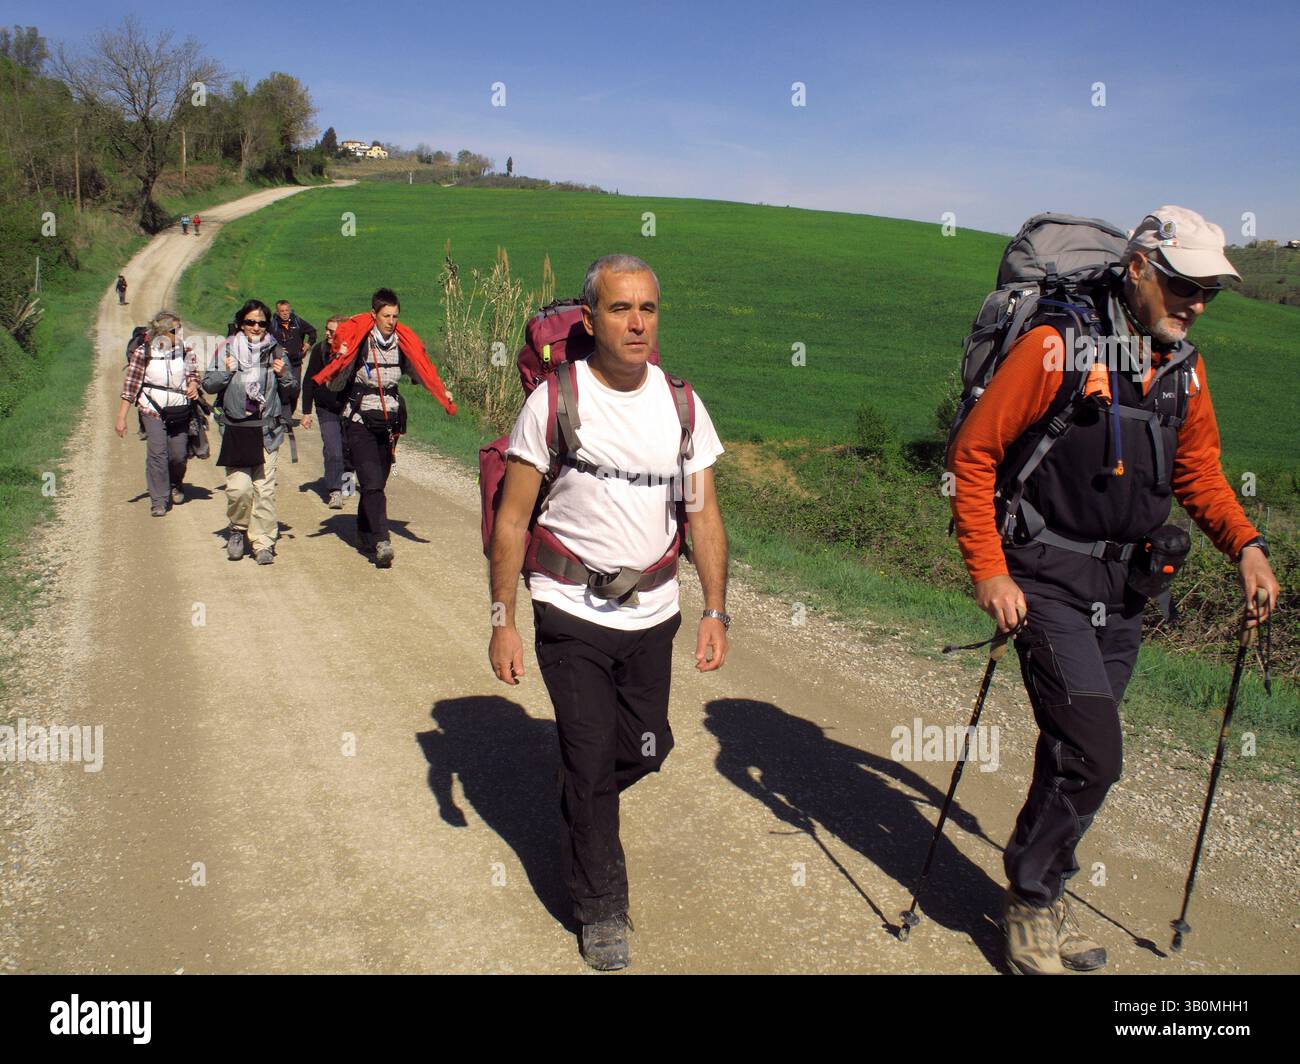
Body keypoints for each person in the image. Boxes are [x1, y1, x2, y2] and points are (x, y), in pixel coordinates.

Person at [946, 206, 1281, 975]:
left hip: (1125, 589)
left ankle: (1043, 885)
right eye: (1182, 285)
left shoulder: (1183, 368)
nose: (1195, 303)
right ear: (1138, 270)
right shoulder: (1057, 346)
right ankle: (1031, 900)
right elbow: (975, 456)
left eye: (1208, 293)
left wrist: (1248, 547)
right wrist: (989, 569)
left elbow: (1198, 474)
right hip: (1044, 580)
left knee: (1075, 751)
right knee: (1096, 753)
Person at [488, 254, 730, 970]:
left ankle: (579, 781)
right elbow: (512, 519)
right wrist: (502, 616)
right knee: (594, 761)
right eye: (621, 309)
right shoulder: (554, 402)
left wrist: (717, 607)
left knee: (646, 747)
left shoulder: (683, 405)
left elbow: (705, 515)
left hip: (654, 613)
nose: (637, 323)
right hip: (569, 608)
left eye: (648, 309)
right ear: (589, 321)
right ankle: (601, 909)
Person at [311, 288, 456, 567]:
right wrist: (339, 361)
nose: (391, 321)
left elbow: (420, 371)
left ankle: (365, 530)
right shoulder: (360, 343)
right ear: (374, 315)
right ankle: (382, 540)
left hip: (389, 422)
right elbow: (335, 383)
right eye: (386, 315)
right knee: (372, 481)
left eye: (395, 316)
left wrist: (441, 392)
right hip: (359, 421)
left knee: (376, 481)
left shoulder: (403, 344)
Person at [204, 299, 299, 564]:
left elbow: (292, 390)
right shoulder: (225, 350)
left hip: (267, 430)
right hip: (236, 429)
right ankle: (237, 529)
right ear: (241, 324)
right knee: (239, 489)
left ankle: (263, 543)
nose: (256, 327)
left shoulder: (276, 352)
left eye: (261, 323)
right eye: (250, 322)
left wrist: (284, 377)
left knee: (264, 490)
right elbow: (208, 384)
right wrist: (226, 370)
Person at [115, 311, 199, 517]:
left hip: (179, 410)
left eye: (179, 329)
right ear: (162, 333)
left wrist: (194, 384)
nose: (179, 333)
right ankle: (159, 500)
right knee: (157, 453)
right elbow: (131, 386)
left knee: (179, 454)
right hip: (151, 409)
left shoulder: (186, 351)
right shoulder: (144, 353)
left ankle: (175, 483)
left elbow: (193, 374)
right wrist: (121, 417)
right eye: (174, 330)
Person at [300, 315, 353, 508]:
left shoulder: (353, 352)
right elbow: (309, 381)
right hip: (325, 408)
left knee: (348, 449)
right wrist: (306, 411)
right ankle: (335, 490)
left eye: (332, 331)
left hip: (348, 408)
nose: (328, 334)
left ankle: (347, 484)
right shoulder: (320, 350)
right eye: (327, 330)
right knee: (333, 448)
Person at [270, 300, 318, 413]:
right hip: (280, 363)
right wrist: (277, 348)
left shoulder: (297, 321)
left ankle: (289, 414)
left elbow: (312, 332)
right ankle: (283, 417)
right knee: (282, 389)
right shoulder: (272, 325)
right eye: (282, 311)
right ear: (277, 312)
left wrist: (308, 345)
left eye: (287, 310)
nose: (285, 313)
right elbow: (266, 339)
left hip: (296, 362)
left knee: (295, 390)